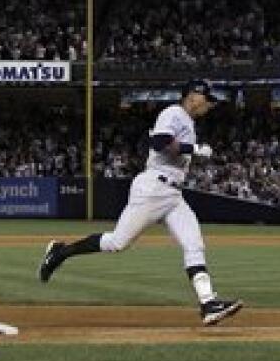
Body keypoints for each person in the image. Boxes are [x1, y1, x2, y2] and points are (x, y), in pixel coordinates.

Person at [38, 79, 243, 326]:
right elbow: (158, 143)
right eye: (207, 99)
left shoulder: (187, 121)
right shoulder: (173, 113)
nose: (209, 105)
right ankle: (60, 252)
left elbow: (170, 148)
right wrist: (195, 149)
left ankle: (208, 303)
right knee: (117, 242)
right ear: (193, 95)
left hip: (174, 195)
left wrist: (191, 152)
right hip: (154, 188)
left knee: (194, 244)